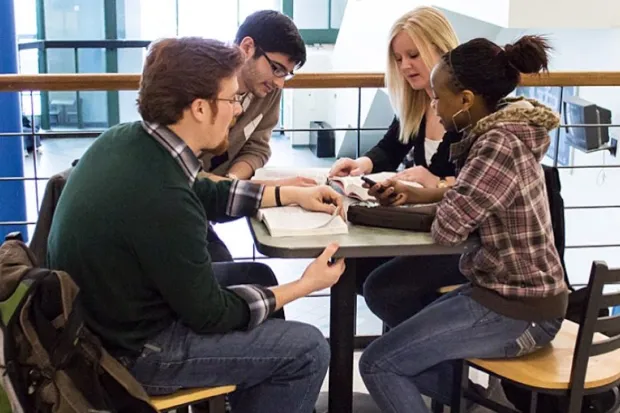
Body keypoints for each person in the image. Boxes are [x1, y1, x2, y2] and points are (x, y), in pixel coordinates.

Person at [47, 37, 346, 413]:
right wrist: (305, 285)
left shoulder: (125, 140)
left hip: (100, 326)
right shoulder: (164, 198)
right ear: (200, 108)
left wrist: (287, 195)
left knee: (258, 274)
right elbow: (211, 314)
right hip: (132, 356)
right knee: (309, 349)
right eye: (232, 99)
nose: (237, 111)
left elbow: (204, 190)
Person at [358, 35, 569, 412]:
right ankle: (468, 396)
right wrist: (423, 195)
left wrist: (435, 199)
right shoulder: (500, 133)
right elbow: (472, 200)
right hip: (505, 294)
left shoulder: (497, 144)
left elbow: (449, 229)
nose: (434, 106)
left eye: (439, 97)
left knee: (378, 364)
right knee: (384, 294)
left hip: (520, 310)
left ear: (467, 100)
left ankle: (458, 392)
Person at [329, 6, 465, 326]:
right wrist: (361, 164)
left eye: (413, 55)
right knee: (352, 266)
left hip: (461, 239)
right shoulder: (418, 99)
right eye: (399, 58)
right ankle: (415, 353)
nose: (405, 66)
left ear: (442, 48)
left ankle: (423, 355)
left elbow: (484, 185)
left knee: (384, 288)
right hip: (425, 230)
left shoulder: (469, 106)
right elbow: (392, 145)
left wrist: (436, 181)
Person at [200, 10, 315, 262]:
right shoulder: (198, 84)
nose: (280, 82)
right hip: (179, 209)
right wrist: (280, 191)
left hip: (208, 204)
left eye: (286, 73)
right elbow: (184, 178)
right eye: (276, 68)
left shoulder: (268, 90)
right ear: (247, 47)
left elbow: (258, 148)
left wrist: (231, 181)